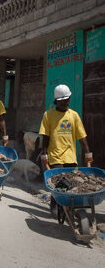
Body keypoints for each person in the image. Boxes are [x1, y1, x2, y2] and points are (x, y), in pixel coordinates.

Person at [39, 84, 92, 215]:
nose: (66, 103)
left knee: (72, 182)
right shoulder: (48, 115)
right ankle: (55, 204)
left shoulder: (74, 115)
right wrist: (44, 153)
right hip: (55, 156)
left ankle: (69, 208)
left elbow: (82, 137)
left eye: (67, 100)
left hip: (70, 157)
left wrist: (88, 153)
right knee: (58, 183)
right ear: (57, 100)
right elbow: (45, 136)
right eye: (63, 101)